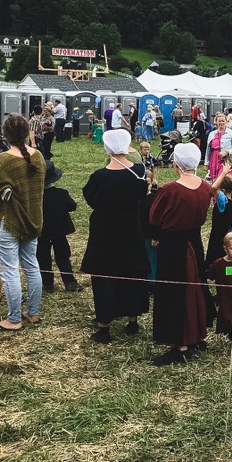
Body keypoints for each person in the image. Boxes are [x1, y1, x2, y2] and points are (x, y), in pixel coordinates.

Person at [148, 142, 216, 366]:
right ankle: (195, 334)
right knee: (194, 286)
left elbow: (155, 218)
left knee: (174, 292)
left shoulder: (170, 189)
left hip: (173, 245)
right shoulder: (206, 187)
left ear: (176, 164)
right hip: (194, 242)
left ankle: (180, 344)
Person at [81, 129, 150, 343]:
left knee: (104, 276)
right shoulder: (139, 171)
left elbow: (91, 199)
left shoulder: (100, 176)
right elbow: (142, 195)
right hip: (130, 228)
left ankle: (104, 326)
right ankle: (132, 320)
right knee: (131, 272)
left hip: (105, 232)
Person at [0, 113, 46, 332]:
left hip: (9, 222)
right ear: (27, 132)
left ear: (5, 134)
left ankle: (14, 319)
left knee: (10, 270)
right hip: (33, 220)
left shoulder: (2, 160)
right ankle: (33, 313)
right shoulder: (39, 156)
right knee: (31, 266)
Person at [38, 161, 82, 293]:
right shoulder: (62, 194)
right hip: (59, 231)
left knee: (42, 257)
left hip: (41, 231)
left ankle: (47, 284)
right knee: (63, 256)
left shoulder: (36, 197)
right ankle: (69, 282)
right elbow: (72, 206)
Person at [205, 162, 232, 267]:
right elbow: (227, 182)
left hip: (219, 235)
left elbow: (214, 187)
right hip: (229, 232)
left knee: (218, 258)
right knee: (229, 257)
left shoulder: (222, 200)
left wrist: (224, 172)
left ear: (223, 190)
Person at [206, 113, 232, 181]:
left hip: (226, 160)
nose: (221, 123)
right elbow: (208, 150)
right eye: (219, 121)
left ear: (226, 121)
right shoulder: (211, 134)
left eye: (223, 121)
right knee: (214, 180)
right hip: (213, 159)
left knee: (224, 180)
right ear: (216, 122)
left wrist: (227, 152)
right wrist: (206, 163)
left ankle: (226, 191)